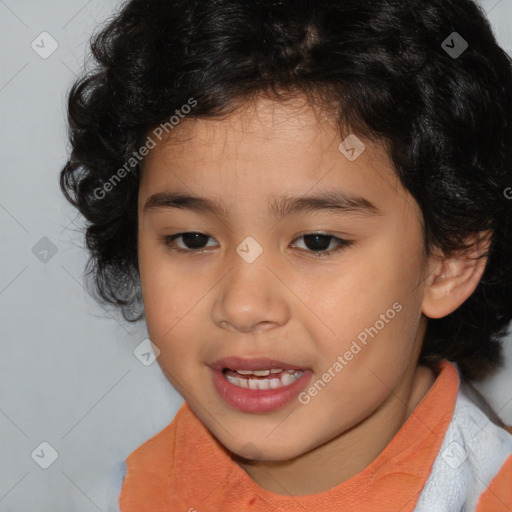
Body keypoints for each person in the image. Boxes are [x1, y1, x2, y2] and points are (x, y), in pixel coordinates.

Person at [60, 0, 512, 510]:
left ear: (450, 260)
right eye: (192, 239)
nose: (243, 307)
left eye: (317, 241)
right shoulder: (118, 494)